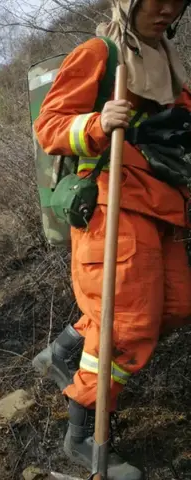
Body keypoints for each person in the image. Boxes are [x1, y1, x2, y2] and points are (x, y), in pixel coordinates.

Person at [33, 0, 191, 477]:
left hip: (163, 209)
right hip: (113, 202)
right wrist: (98, 123)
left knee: (176, 305)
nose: (166, 9)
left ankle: (65, 348)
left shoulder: (172, 68)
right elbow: (49, 126)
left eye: (177, 1)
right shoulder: (101, 53)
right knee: (126, 324)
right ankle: (83, 435)